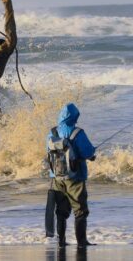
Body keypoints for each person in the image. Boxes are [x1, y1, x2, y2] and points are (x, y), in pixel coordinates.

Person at [46, 103, 96, 249]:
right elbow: (88, 152)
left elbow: (48, 152)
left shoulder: (52, 133)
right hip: (76, 177)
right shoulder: (77, 132)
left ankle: (61, 241)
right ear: (74, 116)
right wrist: (92, 155)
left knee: (61, 211)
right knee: (80, 211)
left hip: (56, 178)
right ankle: (81, 242)